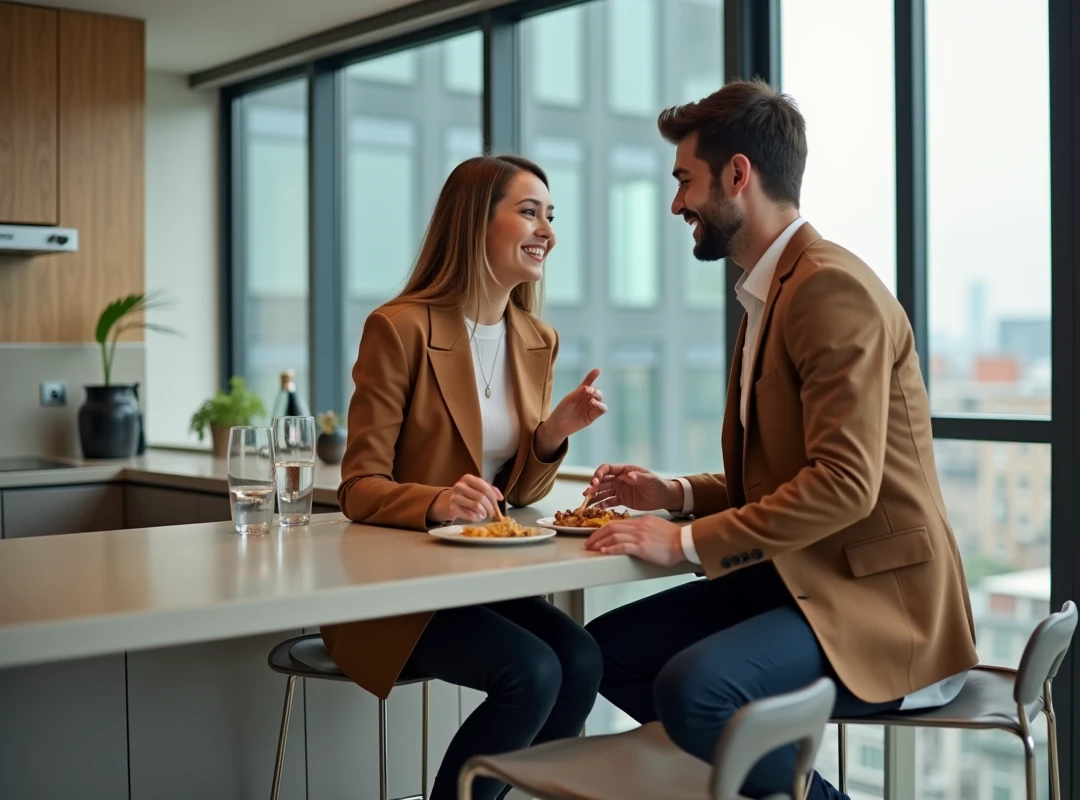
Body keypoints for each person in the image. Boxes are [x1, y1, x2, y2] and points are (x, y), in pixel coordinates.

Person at [581, 81, 978, 800]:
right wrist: (673, 495)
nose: (677, 205)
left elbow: (843, 485)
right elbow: (784, 477)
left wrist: (680, 543)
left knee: (694, 688)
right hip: (807, 574)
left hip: (881, 602)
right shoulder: (772, 293)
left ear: (739, 175)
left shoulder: (829, 290)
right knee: (603, 654)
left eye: (684, 181)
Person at [325, 155, 607, 800]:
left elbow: (518, 498)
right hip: (400, 590)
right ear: (477, 221)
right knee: (533, 671)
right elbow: (358, 486)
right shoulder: (398, 328)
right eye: (529, 212)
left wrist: (550, 436)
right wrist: (438, 502)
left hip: (481, 580)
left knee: (582, 659)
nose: (547, 232)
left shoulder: (537, 338)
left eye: (551, 216)